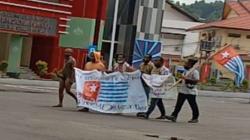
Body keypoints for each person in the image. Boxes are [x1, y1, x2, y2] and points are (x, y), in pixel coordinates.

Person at [166, 58, 200, 123]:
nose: (185, 64)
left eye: (187, 63)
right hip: (183, 90)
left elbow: (196, 81)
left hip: (191, 92)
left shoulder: (195, 72)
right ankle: (174, 116)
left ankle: (195, 118)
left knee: (193, 105)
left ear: (190, 64)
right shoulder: (185, 71)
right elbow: (182, 79)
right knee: (178, 104)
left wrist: (186, 79)